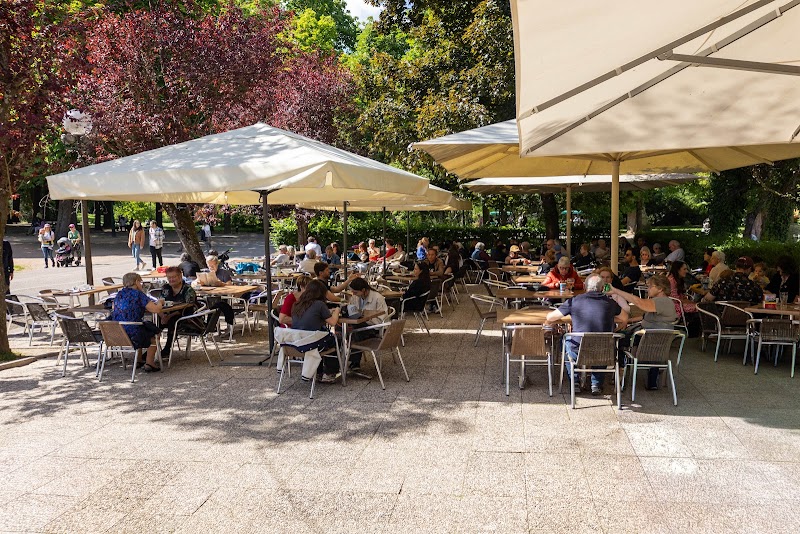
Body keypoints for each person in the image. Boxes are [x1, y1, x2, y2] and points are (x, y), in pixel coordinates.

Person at [545, 274, 628, 395]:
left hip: (578, 348)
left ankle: (575, 381)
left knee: (565, 341)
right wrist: (615, 329)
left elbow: (550, 317)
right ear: (602, 288)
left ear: (584, 286)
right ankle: (596, 384)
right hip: (605, 349)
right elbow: (624, 317)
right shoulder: (610, 303)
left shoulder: (575, 301)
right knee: (602, 344)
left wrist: (572, 315)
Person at [606, 275, 677, 390]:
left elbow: (638, 302)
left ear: (660, 289)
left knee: (620, 340)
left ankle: (621, 376)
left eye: (650, 286)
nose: (647, 289)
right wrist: (626, 321)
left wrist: (615, 291)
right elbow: (644, 317)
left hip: (650, 339)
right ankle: (651, 380)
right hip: (657, 340)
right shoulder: (661, 302)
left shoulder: (662, 301)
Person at [110, 272, 164, 372]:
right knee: (155, 333)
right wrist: (160, 302)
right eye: (140, 282)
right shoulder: (138, 294)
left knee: (141, 327)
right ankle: (149, 362)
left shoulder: (119, 294)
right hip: (133, 332)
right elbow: (155, 310)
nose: (142, 284)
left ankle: (139, 360)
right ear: (136, 282)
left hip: (118, 332)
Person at [291, 279, 340, 383]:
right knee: (335, 339)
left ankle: (318, 372)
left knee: (321, 337)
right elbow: (333, 322)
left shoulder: (297, 304)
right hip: (312, 343)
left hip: (297, 343)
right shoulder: (319, 304)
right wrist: (336, 311)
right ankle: (329, 373)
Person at [346, 277, 389, 372]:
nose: (353, 294)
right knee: (349, 329)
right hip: (361, 326)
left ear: (363, 290)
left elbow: (381, 319)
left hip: (375, 328)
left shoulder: (378, 298)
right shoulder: (356, 297)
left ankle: (353, 361)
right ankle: (353, 361)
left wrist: (365, 319)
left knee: (354, 331)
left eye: (355, 292)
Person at [159, 266, 198, 360]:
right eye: (169, 278)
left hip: (185, 317)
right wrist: (162, 316)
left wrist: (168, 316)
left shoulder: (187, 289)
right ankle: (150, 352)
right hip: (167, 315)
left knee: (173, 321)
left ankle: (167, 349)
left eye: (174, 277)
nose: (171, 280)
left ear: (180, 276)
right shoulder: (166, 288)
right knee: (153, 323)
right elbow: (159, 303)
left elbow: (187, 306)